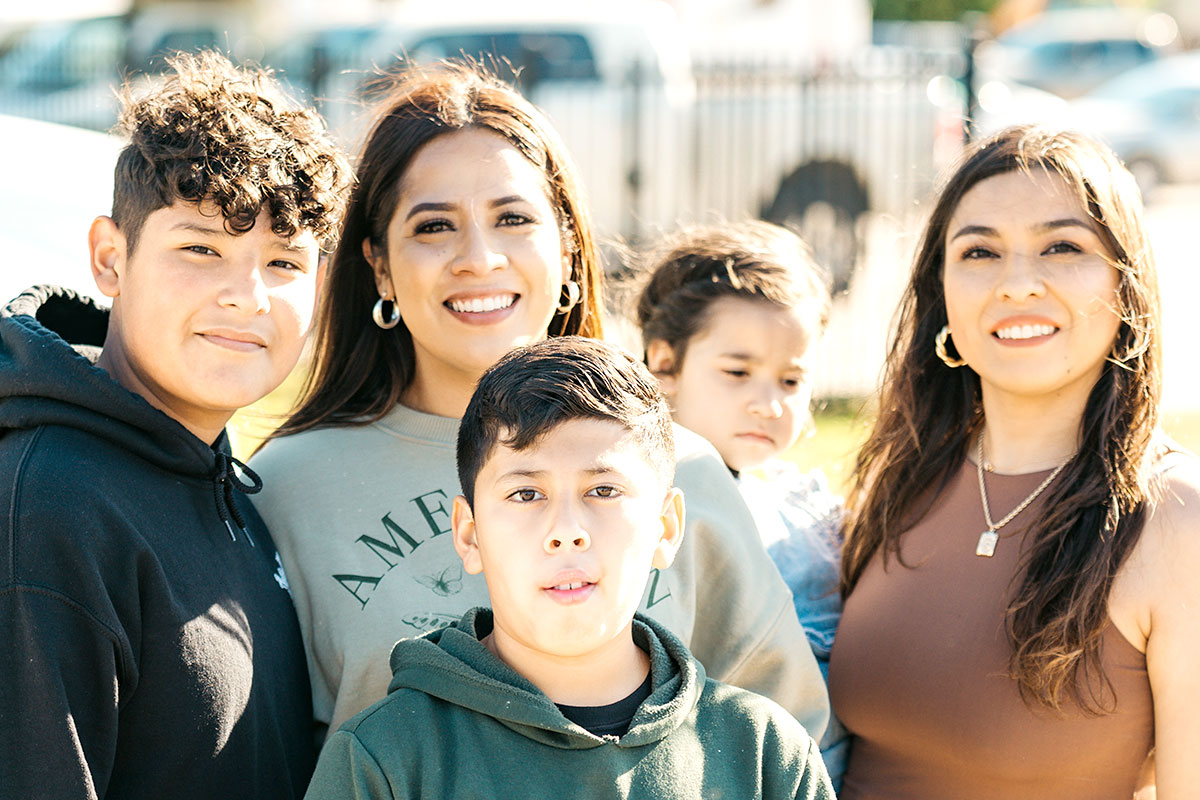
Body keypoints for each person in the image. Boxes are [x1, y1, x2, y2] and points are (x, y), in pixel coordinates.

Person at [248, 62, 829, 743]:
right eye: (434, 227)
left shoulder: (681, 468)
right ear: (379, 264)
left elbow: (790, 732)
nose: (481, 258)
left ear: (566, 245)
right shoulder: (288, 488)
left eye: (513, 218)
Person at [0, 51, 351, 799]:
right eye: (201, 248)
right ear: (109, 258)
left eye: (285, 262)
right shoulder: (48, 509)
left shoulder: (225, 483)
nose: (246, 296)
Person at [828, 125, 1200, 798]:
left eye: (1062, 246)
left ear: (1127, 284)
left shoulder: (1177, 519)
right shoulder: (901, 479)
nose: (1017, 283)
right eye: (979, 252)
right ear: (940, 293)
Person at [303, 336, 835, 799]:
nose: (565, 529)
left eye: (603, 490)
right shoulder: (384, 760)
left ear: (666, 528)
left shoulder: (766, 755)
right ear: (470, 535)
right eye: (526, 492)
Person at [636, 220, 849, 786]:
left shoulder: (812, 512)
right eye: (738, 372)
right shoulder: (634, 508)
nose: (769, 404)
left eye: (790, 380)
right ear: (665, 363)